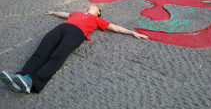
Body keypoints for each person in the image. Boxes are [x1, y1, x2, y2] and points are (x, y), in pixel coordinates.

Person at [0, 5, 148, 94]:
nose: (92, 6)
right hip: (61, 28)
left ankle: (32, 82)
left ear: (98, 13)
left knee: (57, 55)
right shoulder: (77, 13)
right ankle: (19, 77)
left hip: (76, 33)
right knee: (41, 51)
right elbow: (65, 14)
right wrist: (54, 12)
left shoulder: (97, 20)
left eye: (96, 7)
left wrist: (132, 32)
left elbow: (114, 27)